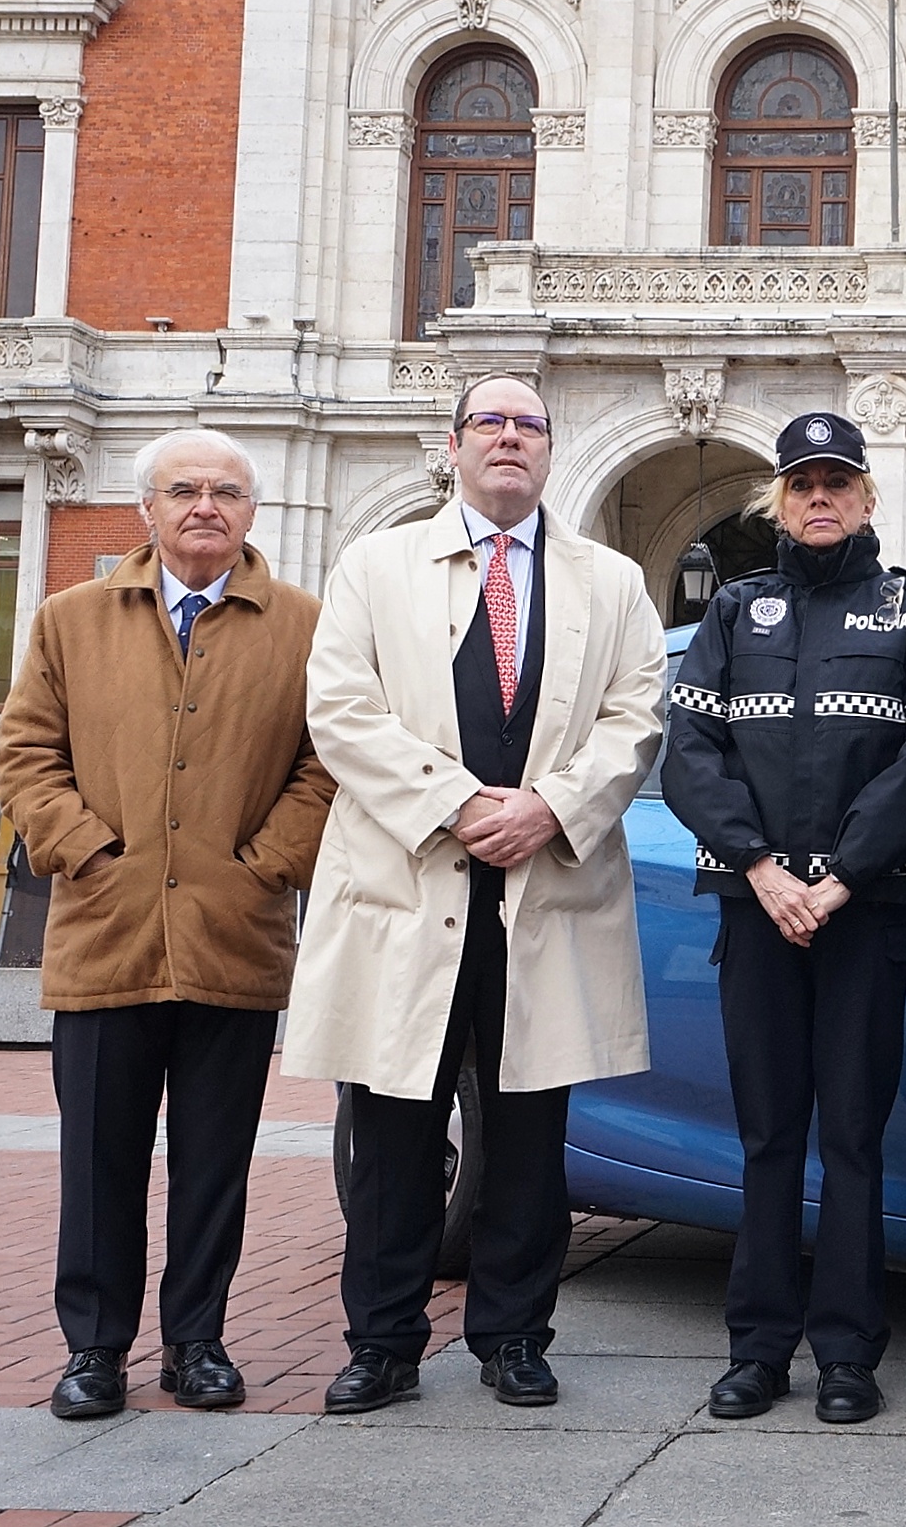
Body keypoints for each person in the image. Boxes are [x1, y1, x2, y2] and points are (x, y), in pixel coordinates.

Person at [288, 374, 667, 1414]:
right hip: (407, 888)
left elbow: (636, 717)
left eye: (528, 425)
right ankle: (383, 1342)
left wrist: (550, 805)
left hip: (543, 891)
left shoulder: (612, 581)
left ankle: (514, 1336)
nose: (509, 438)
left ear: (550, 449)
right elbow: (342, 709)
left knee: (528, 1136)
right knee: (392, 1132)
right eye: (489, 423)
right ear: (451, 445)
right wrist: (455, 803)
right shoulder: (374, 566)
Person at [0, 426, 335, 1420]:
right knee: (98, 1160)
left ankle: (197, 1340)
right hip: (107, 938)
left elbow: (327, 762)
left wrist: (264, 866)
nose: (205, 506)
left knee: (214, 1161)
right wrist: (88, 849)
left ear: (252, 511)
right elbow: (26, 753)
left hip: (235, 938)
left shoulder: (304, 626)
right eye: (183, 489)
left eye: (226, 491)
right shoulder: (71, 619)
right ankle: (95, 1348)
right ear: (147, 508)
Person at [662, 412, 906, 1427]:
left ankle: (847, 1355)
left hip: (864, 914)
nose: (819, 497)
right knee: (767, 1134)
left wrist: (839, 879)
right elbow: (689, 751)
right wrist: (760, 866)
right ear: (779, 501)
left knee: (854, 1138)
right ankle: (757, 1351)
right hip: (757, 910)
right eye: (802, 483)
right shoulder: (733, 609)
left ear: (868, 497)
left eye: (837, 481)